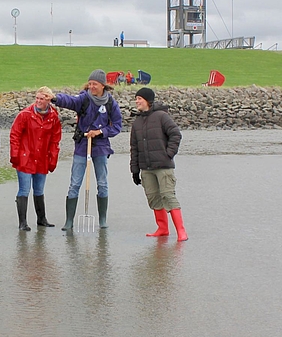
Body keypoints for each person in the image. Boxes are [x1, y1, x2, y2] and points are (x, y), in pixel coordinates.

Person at [51, 69, 123, 230]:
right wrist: (55, 98)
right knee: (75, 183)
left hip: (101, 148)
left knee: (102, 183)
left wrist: (100, 132)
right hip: (82, 146)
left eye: (94, 84)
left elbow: (117, 126)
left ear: (103, 85)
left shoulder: (111, 103)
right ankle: (69, 221)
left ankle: (102, 219)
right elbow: (69, 101)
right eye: (90, 83)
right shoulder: (84, 98)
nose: (91, 86)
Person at [129, 87, 188, 242]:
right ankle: (162, 229)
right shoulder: (137, 123)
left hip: (163, 166)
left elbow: (176, 134)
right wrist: (135, 170)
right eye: (136, 98)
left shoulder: (162, 116)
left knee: (168, 196)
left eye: (139, 98)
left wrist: (168, 154)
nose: (137, 101)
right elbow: (134, 148)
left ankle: (181, 232)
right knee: (153, 198)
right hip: (146, 168)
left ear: (148, 100)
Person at [9, 87, 62, 231]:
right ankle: (22, 222)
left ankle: (41, 219)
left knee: (39, 190)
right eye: (37, 98)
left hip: (42, 158)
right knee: (24, 190)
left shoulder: (53, 117)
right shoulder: (25, 115)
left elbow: (55, 140)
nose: (38, 101)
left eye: (42, 99)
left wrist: (53, 159)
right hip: (25, 158)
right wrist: (15, 155)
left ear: (48, 100)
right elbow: (15, 136)